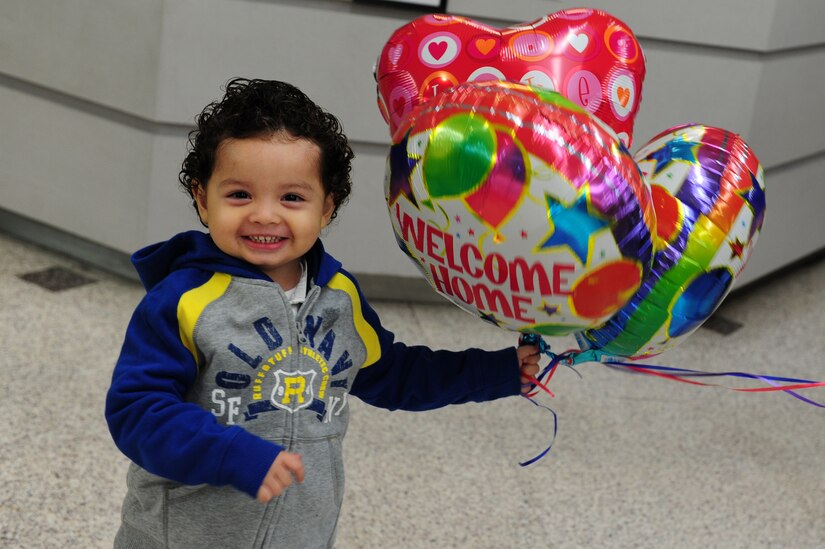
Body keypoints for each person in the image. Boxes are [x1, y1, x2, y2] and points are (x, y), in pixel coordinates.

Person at [105, 77, 540, 548]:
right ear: (201, 198)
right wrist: (230, 452)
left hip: (301, 535)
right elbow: (138, 411)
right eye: (239, 195)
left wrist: (497, 372)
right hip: (184, 537)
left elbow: (394, 373)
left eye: (292, 197)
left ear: (326, 208)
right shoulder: (183, 301)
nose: (266, 215)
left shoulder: (339, 297)